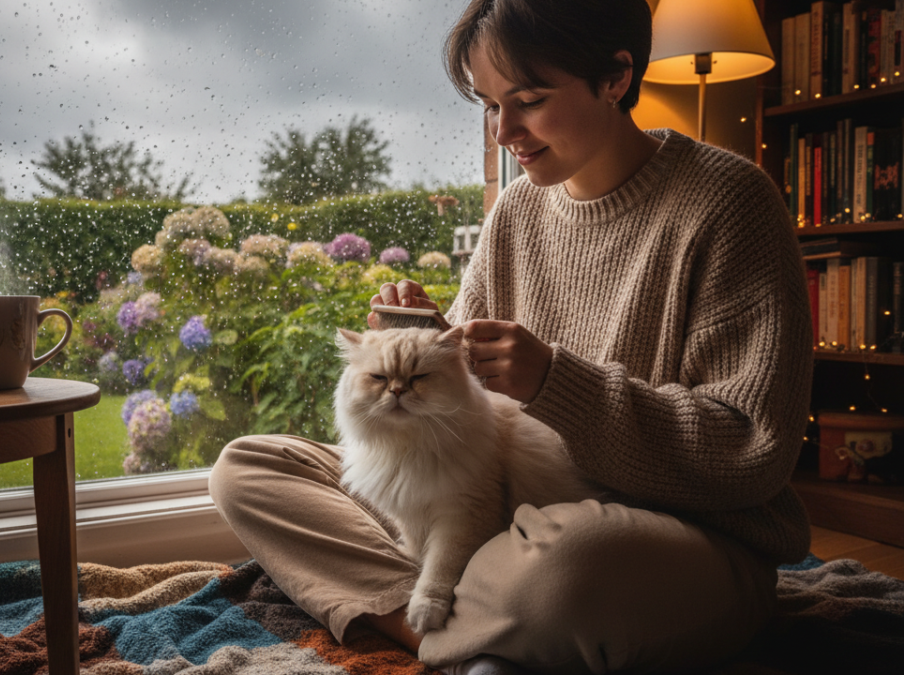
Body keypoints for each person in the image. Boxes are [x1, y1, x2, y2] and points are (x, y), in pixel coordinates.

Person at [209, 0, 814, 672]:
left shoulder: (730, 203)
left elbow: (750, 448)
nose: (504, 131)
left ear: (617, 76)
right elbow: (474, 389)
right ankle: (463, 628)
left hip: (671, 535)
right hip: (503, 505)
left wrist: (557, 381)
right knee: (249, 468)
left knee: (566, 563)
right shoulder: (520, 207)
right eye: (490, 106)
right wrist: (432, 340)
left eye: (526, 100)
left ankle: (453, 616)